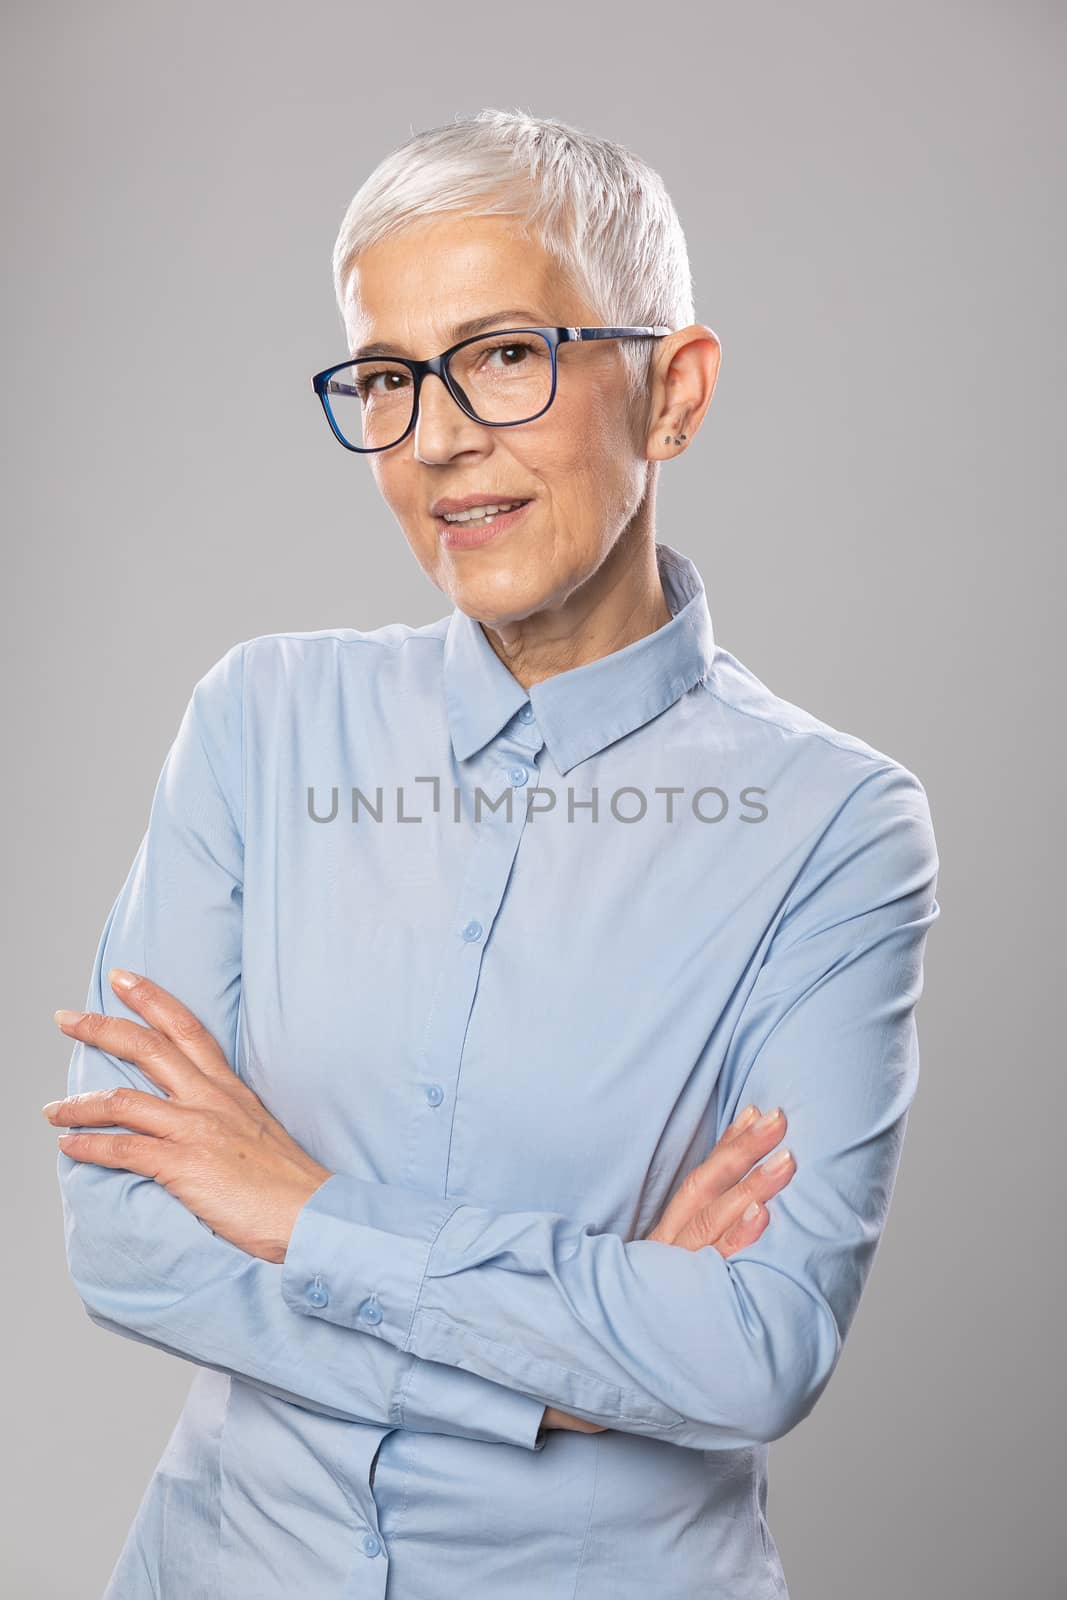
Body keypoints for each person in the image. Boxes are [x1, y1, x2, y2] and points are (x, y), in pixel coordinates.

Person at [46, 108, 940, 1600]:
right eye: (389, 377)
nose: (441, 433)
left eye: (506, 354)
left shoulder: (836, 829)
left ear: (673, 392)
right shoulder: (262, 722)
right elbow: (126, 1233)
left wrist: (307, 1212)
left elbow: (753, 1351)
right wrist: (565, 1377)